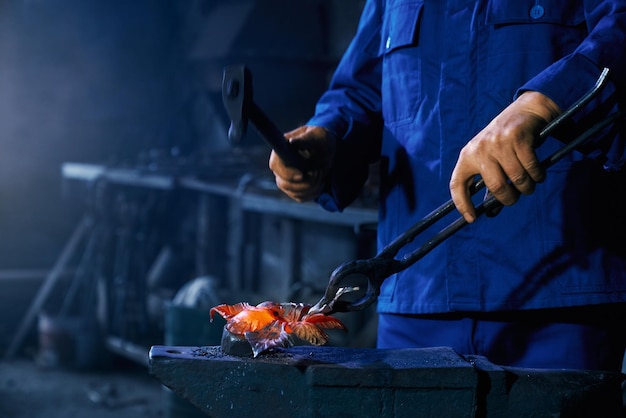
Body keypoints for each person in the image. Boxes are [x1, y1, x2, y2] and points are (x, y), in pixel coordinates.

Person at [269, 0, 626, 372]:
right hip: (418, 297)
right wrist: (327, 139)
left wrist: (543, 103)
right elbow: (361, 90)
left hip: (560, 297)